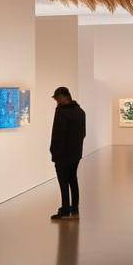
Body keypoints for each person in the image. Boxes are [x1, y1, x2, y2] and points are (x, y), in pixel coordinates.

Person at [50, 86, 86, 221]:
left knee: (63, 182)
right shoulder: (81, 112)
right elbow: (83, 134)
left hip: (62, 154)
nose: (56, 101)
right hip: (76, 153)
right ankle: (74, 207)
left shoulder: (61, 111)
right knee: (73, 179)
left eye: (57, 98)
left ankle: (65, 209)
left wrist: (54, 151)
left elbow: (57, 134)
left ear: (63, 97)